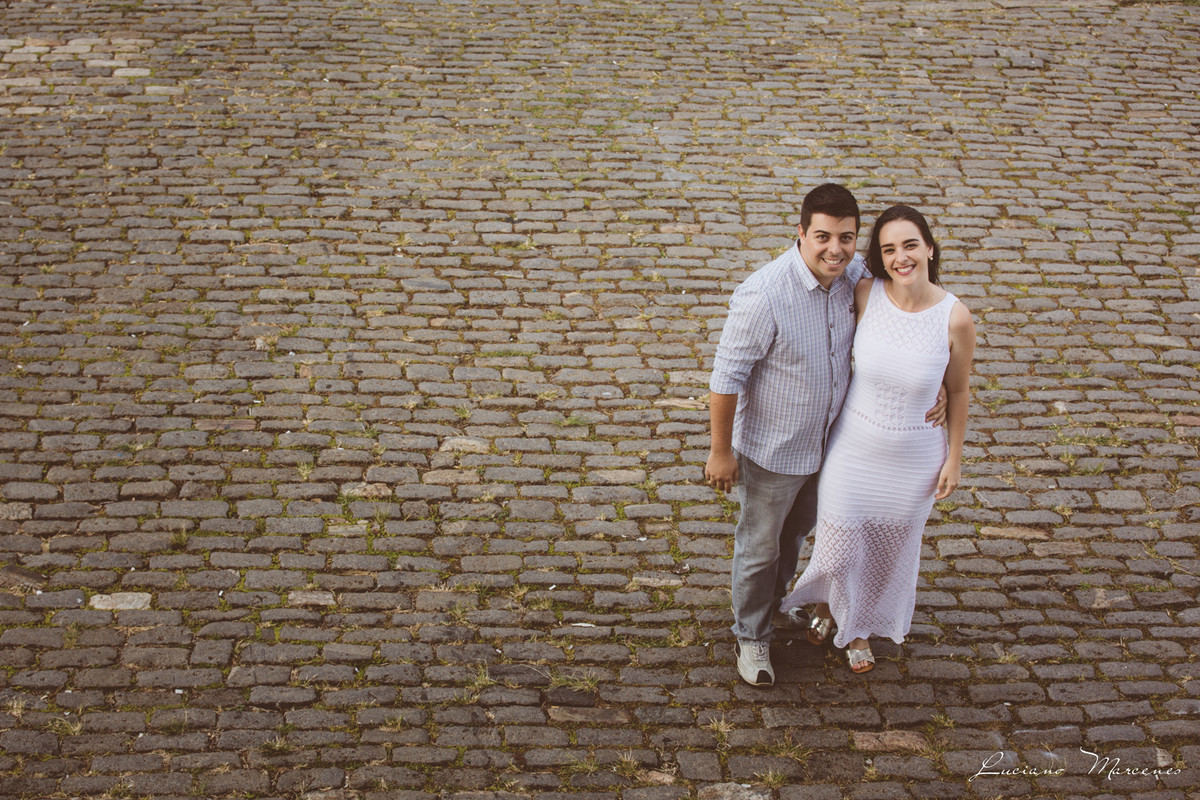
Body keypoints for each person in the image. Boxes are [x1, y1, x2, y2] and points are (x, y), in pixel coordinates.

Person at [705, 185, 945, 687]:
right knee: (760, 548)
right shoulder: (765, 294)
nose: (835, 250)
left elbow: (911, 311)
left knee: (794, 538)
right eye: (823, 237)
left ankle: (774, 606)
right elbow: (726, 377)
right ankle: (751, 636)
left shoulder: (853, 277)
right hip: (772, 451)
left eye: (846, 238)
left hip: (831, 447)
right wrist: (720, 452)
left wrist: (938, 382)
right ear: (800, 233)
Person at [779, 204, 975, 674]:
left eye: (910, 245)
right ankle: (830, 608)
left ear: (930, 248)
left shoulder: (955, 318)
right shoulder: (866, 292)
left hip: (914, 459)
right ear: (880, 258)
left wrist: (954, 458)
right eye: (889, 249)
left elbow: (959, 390)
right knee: (840, 544)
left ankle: (857, 628)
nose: (900, 257)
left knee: (885, 553)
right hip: (853, 449)